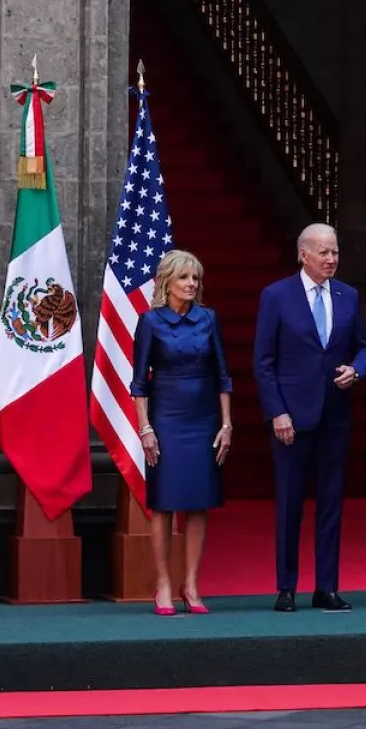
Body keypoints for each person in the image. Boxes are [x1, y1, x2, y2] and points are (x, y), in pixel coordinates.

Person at [253, 223, 366, 613]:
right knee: (289, 504)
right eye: (324, 252)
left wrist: (357, 369)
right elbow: (264, 363)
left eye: (335, 252)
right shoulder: (277, 296)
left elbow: (364, 349)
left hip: (335, 415)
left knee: (331, 504)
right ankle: (286, 587)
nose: (331, 259)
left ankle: (327, 588)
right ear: (303, 254)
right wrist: (277, 412)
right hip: (291, 417)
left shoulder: (349, 296)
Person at [131, 250, 233, 616]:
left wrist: (226, 424)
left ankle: (190, 583)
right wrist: (145, 428)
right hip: (166, 419)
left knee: (198, 502)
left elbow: (223, 375)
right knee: (164, 503)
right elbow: (139, 382)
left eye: (195, 279)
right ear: (166, 283)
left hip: (204, 418)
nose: (191, 285)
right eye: (184, 278)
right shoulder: (151, 322)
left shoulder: (209, 319)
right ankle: (162, 582)